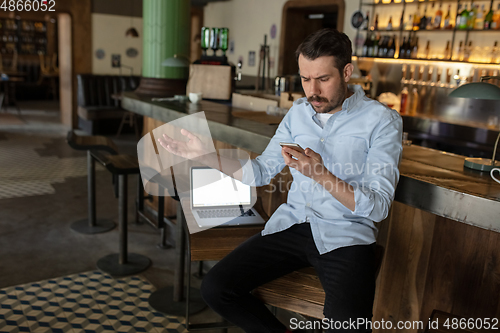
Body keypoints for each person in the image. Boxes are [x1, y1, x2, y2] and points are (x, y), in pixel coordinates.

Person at [158, 28, 402, 333]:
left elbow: (378, 207)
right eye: (304, 79)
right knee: (216, 288)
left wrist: (321, 175)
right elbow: (260, 171)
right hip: (292, 225)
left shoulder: (382, 121)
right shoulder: (298, 113)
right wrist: (206, 155)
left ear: (347, 72)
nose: (312, 90)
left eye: (323, 79)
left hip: (346, 236)